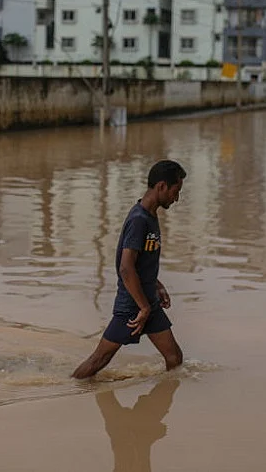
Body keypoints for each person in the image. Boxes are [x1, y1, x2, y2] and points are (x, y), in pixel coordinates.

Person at [72, 160, 186, 379]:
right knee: (99, 360)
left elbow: (142, 262)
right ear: (161, 186)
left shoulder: (151, 217)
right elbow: (126, 268)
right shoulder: (139, 220)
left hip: (147, 302)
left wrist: (157, 285)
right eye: (175, 191)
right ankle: (69, 390)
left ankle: (158, 408)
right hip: (132, 306)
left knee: (174, 359)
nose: (176, 197)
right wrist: (142, 308)